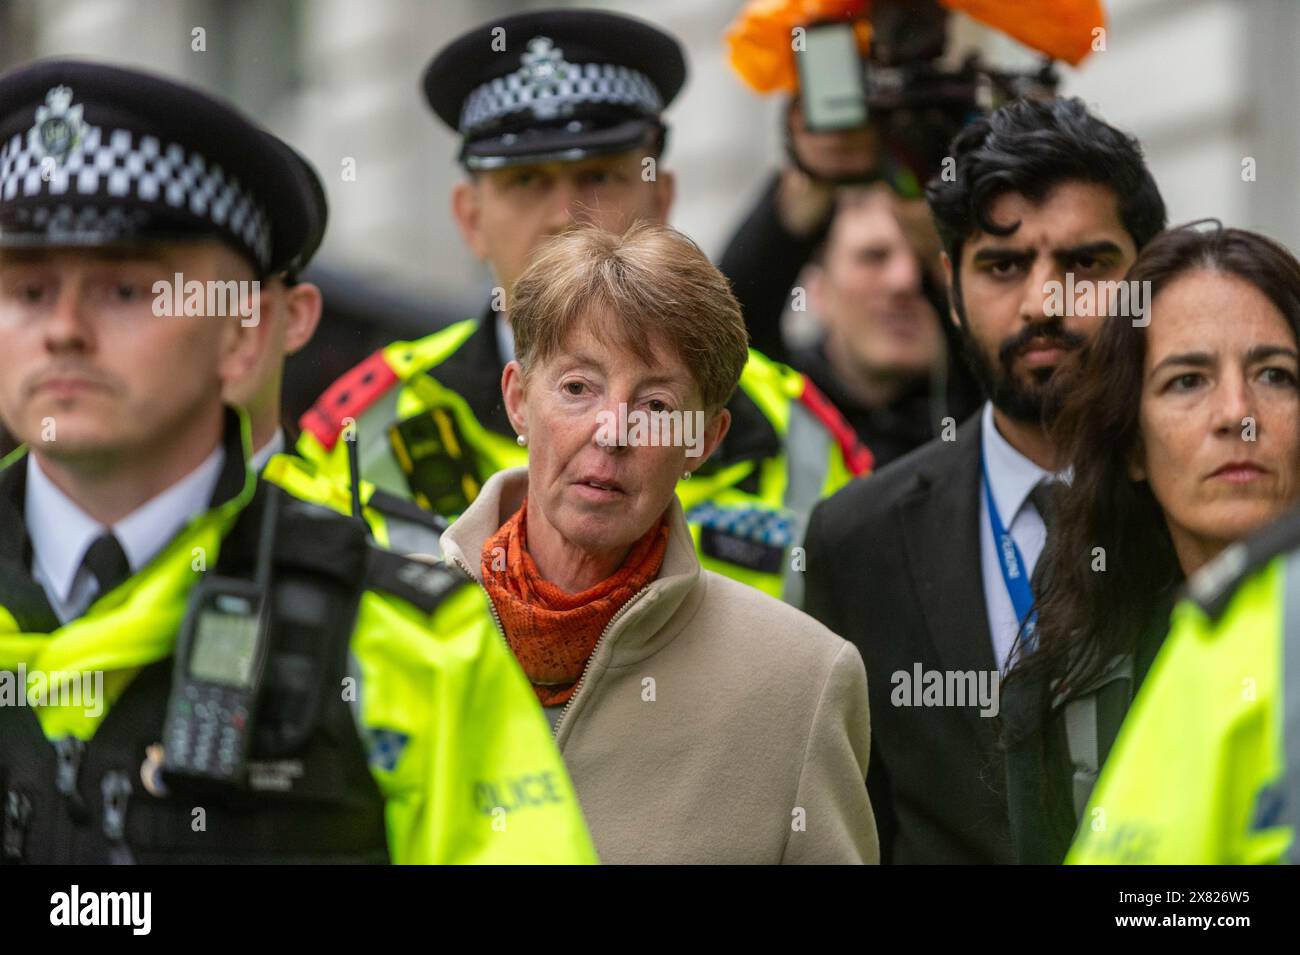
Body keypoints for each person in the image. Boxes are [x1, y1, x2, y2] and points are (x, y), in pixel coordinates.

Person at [0, 59, 595, 864]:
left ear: (245, 334)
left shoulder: (407, 645)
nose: (63, 329)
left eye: (124, 290)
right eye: (28, 290)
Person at [295, 8, 871, 604]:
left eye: (599, 176)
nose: (565, 217)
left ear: (662, 195)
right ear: (470, 218)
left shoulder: (795, 432)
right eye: (526, 182)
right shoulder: (363, 430)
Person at [438, 223, 878, 864]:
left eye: (657, 405)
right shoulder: (396, 628)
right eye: (577, 387)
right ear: (517, 401)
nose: (612, 432)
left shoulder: (801, 682)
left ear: (705, 438)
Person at [802, 96, 1167, 863]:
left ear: (1149, 277)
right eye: (1003, 266)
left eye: (1085, 263)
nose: (1043, 302)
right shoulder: (856, 538)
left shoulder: (1208, 507)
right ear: (952, 288)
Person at [1002, 224, 1300, 863]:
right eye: (1187, 381)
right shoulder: (1063, 685)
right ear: (1132, 444)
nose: (1236, 413)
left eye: (1275, 375)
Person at [797, 185, 976, 466]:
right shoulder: (782, 400)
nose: (905, 280)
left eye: (924, 262)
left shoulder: (979, 407)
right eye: (874, 257)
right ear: (817, 290)